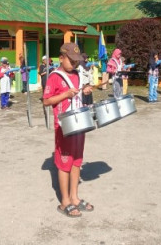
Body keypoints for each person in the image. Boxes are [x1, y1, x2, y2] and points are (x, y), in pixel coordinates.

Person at [43, 43, 94, 218]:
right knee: (64, 163)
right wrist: (65, 94)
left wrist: (85, 90)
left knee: (76, 161)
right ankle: (64, 200)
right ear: (61, 58)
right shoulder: (54, 77)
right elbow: (46, 101)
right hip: (64, 127)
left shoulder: (78, 75)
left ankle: (75, 197)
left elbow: (78, 94)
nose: (75, 64)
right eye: (71, 61)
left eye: (77, 61)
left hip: (79, 124)